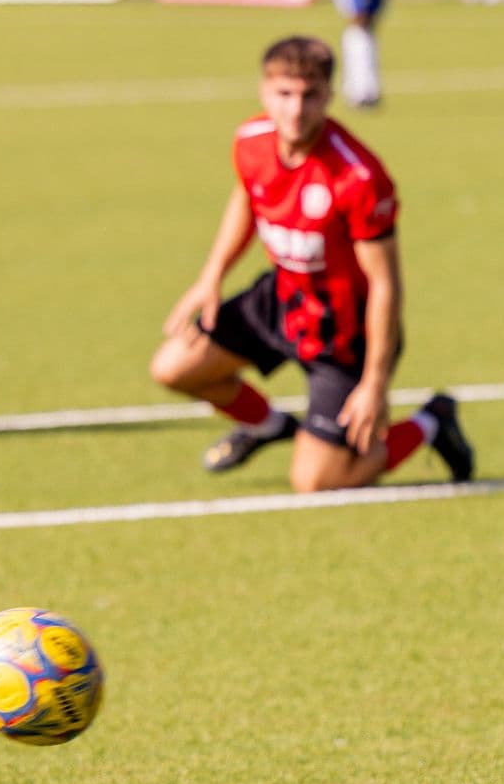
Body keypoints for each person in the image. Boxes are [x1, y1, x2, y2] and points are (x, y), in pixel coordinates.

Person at [148, 35, 473, 493]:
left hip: (345, 334)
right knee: (174, 368)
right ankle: (266, 426)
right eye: (284, 94)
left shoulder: (358, 177)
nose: (296, 110)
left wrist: (376, 382)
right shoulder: (251, 140)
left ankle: (431, 423)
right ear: (264, 92)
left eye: (310, 95)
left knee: (317, 481)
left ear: (329, 96)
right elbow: (248, 195)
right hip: (283, 298)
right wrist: (212, 276)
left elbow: (385, 284)